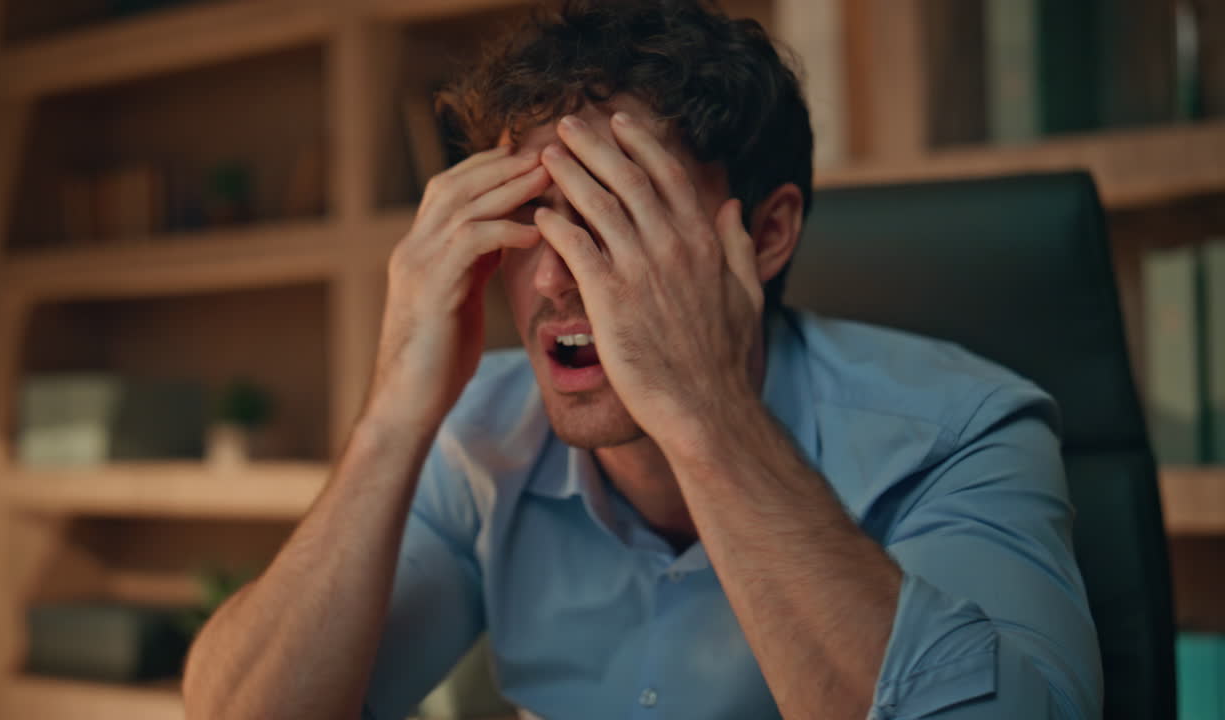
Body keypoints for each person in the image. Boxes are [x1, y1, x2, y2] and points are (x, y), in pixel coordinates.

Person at [182, 1, 1103, 718]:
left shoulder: (967, 430)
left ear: (767, 233)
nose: (549, 278)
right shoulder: (477, 438)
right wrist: (391, 416)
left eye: (610, 214)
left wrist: (706, 412)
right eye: (527, 215)